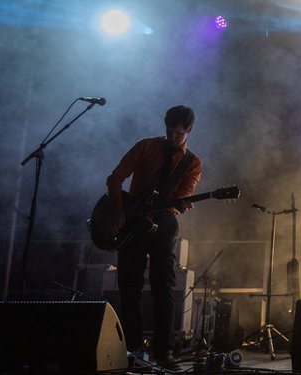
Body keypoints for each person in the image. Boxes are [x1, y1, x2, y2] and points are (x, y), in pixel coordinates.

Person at [106, 105, 202, 366]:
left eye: (178, 134)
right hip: (131, 222)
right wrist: (118, 211)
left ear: (189, 131)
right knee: (129, 287)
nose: (172, 137)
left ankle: (164, 351)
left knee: (164, 287)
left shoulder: (192, 162)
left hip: (163, 223)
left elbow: (183, 196)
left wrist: (180, 203)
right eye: (169, 132)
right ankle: (131, 349)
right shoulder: (146, 147)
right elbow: (115, 179)